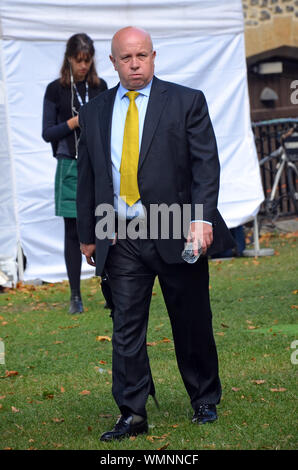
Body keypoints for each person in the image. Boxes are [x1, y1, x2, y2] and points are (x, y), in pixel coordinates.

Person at [77, 26, 235, 441]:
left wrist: (201, 219)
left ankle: (203, 398)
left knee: (191, 319)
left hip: (175, 227)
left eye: (142, 56)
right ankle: (132, 412)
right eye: (126, 58)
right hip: (119, 232)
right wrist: (88, 233)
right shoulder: (94, 111)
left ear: (153, 56)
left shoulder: (185, 102)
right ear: (112, 62)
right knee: (126, 327)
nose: (135, 65)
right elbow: (89, 176)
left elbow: (206, 166)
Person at [42, 33, 109, 314]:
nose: (83, 65)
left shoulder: (100, 86)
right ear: (69, 58)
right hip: (70, 164)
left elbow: (108, 123)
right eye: (78, 60)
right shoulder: (56, 89)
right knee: (73, 231)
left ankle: (110, 287)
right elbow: (48, 133)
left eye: (87, 60)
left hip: (97, 163)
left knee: (105, 224)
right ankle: (75, 296)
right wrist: (74, 121)